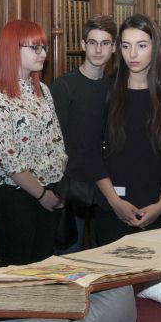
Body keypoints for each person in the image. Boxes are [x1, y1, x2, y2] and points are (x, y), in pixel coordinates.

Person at [84, 13, 161, 246]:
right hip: (111, 208)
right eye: (126, 46)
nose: (132, 54)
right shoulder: (103, 91)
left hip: (159, 209)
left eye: (141, 46)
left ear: (155, 48)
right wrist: (115, 202)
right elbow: (91, 154)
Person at [0, 19, 66, 265]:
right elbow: (9, 159)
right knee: (18, 271)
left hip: (50, 192)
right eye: (35, 47)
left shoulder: (43, 90)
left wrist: (58, 188)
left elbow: (57, 143)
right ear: (13, 49)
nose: (43, 53)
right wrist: (41, 194)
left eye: (44, 47)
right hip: (15, 198)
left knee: (44, 268)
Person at [50, 14, 116, 251]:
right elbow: (54, 141)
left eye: (105, 43)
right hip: (72, 187)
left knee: (108, 255)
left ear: (114, 47)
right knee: (67, 258)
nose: (98, 50)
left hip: (106, 184)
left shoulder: (116, 89)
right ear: (82, 45)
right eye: (92, 42)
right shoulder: (64, 86)